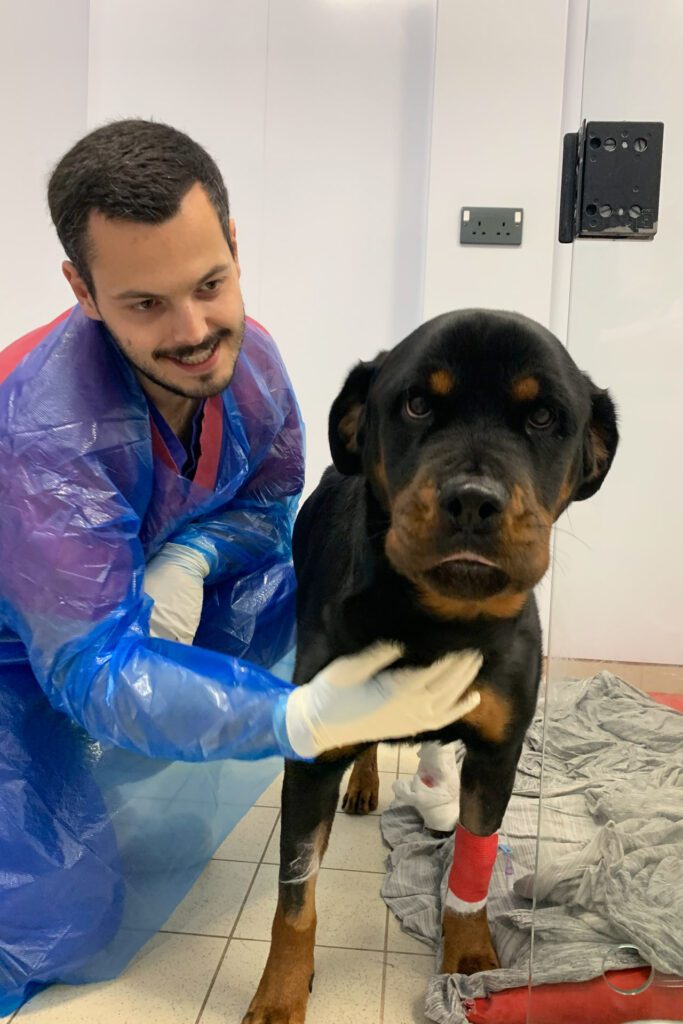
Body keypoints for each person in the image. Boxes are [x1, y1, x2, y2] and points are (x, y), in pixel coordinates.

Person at [0, 119, 482, 1013]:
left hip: (108, 601)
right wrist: (298, 716)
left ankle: (100, 755)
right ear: (83, 291)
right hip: (22, 646)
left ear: (233, 245)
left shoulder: (246, 360)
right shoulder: (44, 433)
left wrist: (186, 556)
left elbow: (267, 506)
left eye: (210, 284)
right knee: (56, 917)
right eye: (145, 303)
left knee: (282, 590)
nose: (193, 332)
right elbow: (89, 666)